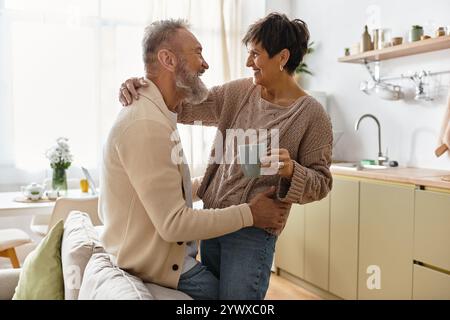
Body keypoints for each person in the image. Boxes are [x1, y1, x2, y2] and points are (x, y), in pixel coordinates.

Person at [119, 13, 333, 299]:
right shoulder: (240, 92)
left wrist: (292, 171)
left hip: (253, 232)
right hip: (215, 220)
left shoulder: (312, 115)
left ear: (282, 57)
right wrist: (144, 85)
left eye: (255, 54)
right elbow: (183, 103)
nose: (248, 63)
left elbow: (322, 183)